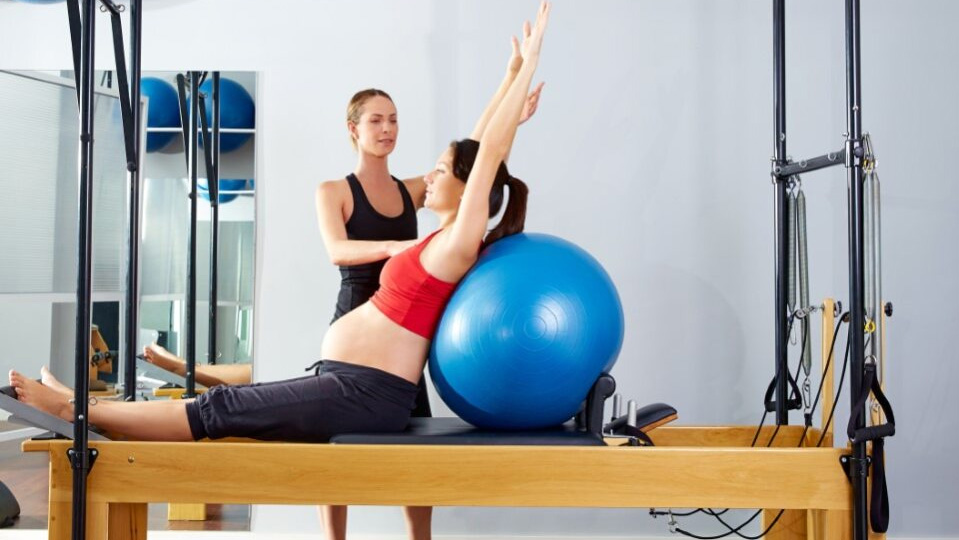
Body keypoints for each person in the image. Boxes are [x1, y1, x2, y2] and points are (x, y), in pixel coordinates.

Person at [9, 0, 550, 471]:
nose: (429, 175)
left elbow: (482, 163)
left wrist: (528, 68)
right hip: (346, 377)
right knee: (230, 401)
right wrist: (507, 78)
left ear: (466, 189)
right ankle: (79, 406)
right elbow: (478, 153)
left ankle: (75, 411)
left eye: (439, 171)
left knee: (219, 411)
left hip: (367, 391)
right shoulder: (440, 235)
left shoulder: (456, 244)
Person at [312, 36, 544, 540]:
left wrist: (509, 83)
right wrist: (399, 247)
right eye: (376, 120)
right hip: (359, 315)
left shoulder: (409, 190)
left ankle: (420, 537)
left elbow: (467, 162)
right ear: (353, 130)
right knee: (335, 439)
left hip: (408, 325)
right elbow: (337, 251)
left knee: (414, 438)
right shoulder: (334, 191)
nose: (387, 128)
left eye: (393, 119)